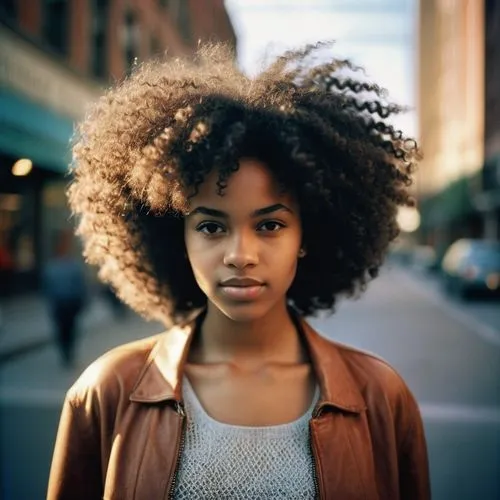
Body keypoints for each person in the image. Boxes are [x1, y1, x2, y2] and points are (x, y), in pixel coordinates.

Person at [47, 42, 430, 499]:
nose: (240, 254)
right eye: (211, 226)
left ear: (307, 236)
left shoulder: (381, 399)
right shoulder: (105, 391)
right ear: (176, 237)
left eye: (270, 225)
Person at [42, 229, 87, 367]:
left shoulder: (73, 265)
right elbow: (46, 287)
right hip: (59, 304)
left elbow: (81, 284)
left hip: (71, 303)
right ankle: (64, 352)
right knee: (61, 329)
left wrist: (83, 301)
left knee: (71, 328)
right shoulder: (51, 266)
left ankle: (69, 351)